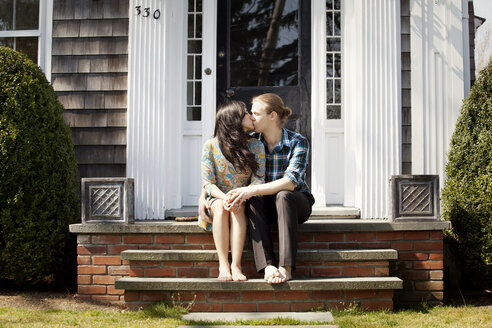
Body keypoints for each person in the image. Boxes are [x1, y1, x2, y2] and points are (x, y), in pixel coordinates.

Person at [200, 93, 314, 284]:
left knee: (283, 195)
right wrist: (202, 198)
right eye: (249, 114)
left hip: (295, 203)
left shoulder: (298, 142)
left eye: (256, 113)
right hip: (263, 204)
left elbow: (290, 181)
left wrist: (251, 191)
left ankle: (285, 268)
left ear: (273, 116)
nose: (251, 118)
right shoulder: (250, 142)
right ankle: (268, 266)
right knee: (253, 198)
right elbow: (213, 174)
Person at [200, 100, 265, 281]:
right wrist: (225, 196)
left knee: (238, 208)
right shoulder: (211, 146)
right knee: (221, 206)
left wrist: (240, 195)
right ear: (234, 118)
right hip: (217, 198)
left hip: (242, 198)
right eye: (247, 113)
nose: (252, 117)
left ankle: (236, 265)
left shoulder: (256, 146)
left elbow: (258, 179)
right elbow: (208, 183)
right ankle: (223, 264)